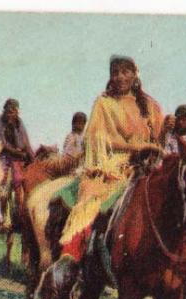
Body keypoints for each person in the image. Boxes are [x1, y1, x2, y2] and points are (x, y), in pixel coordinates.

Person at [57, 55, 164, 266]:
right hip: (113, 162)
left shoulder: (150, 105)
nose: (120, 77)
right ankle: (70, 257)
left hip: (148, 163)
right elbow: (98, 139)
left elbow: (158, 139)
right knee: (91, 196)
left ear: (135, 75)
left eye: (125, 72)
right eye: (115, 73)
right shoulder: (104, 103)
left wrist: (163, 133)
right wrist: (136, 147)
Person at [0, 98, 35, 227]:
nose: (10, 114)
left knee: (20, 180)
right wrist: (19, 153)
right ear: (4, 110)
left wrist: (33, 159)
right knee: (0, 182)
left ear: (17, 112)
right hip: (0, 154)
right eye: (8, 111)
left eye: (13, 111)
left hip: (16, 157)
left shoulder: (19, 123)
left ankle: (19, 215)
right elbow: (0, 143)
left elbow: (25, 142)